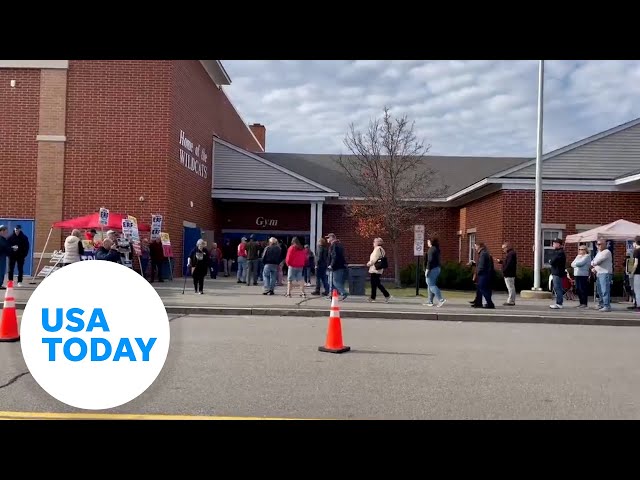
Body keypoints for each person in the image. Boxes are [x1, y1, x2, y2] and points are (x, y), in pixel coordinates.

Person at [366, 237, 391, 303]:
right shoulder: (382, 249)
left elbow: (374, 259)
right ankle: (372, 297)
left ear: (377, 243)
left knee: (377, 283)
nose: (373, 243)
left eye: (374, 242)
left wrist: (369, 263)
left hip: (375, 269)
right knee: (374, 284)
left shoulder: (377, 249)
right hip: (378, 269)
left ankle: (387, 295)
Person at [591, 240, 613, 312]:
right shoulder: (599, 252)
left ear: (605, 244)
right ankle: (601, 304)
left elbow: (598, 261)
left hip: (605, 273)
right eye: (597, 244)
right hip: (599, 273)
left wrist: (594, 264)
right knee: (599, 291)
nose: (598, 245)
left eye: (600, 244)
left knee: (605, 290)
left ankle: (607, 305)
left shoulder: (606, 252)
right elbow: (593, 261)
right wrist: (594, 266)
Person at [423, 237, 446, 307]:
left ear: (430, 242)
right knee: (430, 285)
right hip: (437, 268)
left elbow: (430, 261)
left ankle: (441, 299)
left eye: (428, 241)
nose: (427, 243)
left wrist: (427, 270)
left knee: (431, 285)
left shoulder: (431, 249)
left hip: (432, 269)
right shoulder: (436, 249)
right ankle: (430, 301)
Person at [472, 241, 495, 309]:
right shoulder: (484, 253)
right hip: (484, 273)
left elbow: (481, 265)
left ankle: (490, 303)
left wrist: (478, 273)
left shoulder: (483, 254)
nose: (475, 247)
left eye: (476, 246)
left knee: (483, 289)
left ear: (479, 246)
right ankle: (478, 303)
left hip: (483, 274)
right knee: (479, 289)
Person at [326, 233, 348, 301]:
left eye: (328, 238)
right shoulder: (339, 244)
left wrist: (331, 265)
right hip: (340, 266)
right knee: (333, 282)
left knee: (335, 281)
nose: (327, 239)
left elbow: (334, 256)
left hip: (336, 266)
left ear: (332, 238)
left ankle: (343, 293)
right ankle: (332, 295)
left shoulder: (334, 245)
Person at [496, 242, 517, 306]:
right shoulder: (511, 254)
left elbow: (509, 264)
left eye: (503, 248)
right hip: (510, 273)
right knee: (511, 287)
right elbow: (507, 263)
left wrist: (504, 270)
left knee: (510, 287)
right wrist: (501, 262)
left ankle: (511, 300)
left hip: (509, 273)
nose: (503, 250)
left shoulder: (510, 254)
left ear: (507, 247)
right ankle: (511, 300)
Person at [548, 238, 567, 310]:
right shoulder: (557, 252)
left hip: (558, 272)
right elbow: (551, 260)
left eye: (554, 243)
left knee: (558, 288)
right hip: (556, 272)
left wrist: (551, 261)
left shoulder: (560, 253)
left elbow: (552, 261)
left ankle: (559, 303)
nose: (553, 244)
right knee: (557, 288)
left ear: (558, 244)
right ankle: (558, 302)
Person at [571, 244, 591, 308]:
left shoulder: (587, 256)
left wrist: (576, 264)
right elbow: (572, 264)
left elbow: (580, 264)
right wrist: (576, 264)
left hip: (583, 275)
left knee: (582, 289)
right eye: (579, 249)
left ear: (585, 250)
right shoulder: (578, 256)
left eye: (582, 249)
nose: (580, 251)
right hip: (577, 274)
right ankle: (581, 302)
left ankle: (584, 303)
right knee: (578, 289)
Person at [0, 226, 9, 290]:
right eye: (5, 231)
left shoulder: (3, 239)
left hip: (3, 256)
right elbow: (3, 247)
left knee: (2, 271)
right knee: (1, 271)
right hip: (1, 257)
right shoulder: (1, 239)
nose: (6, 233)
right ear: (2, 231)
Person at [633, 236, 640, 312]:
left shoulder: (636, 251)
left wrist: (632, 272)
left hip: (638, 273)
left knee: (637, 290)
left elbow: (636, 263)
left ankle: (638, 305)